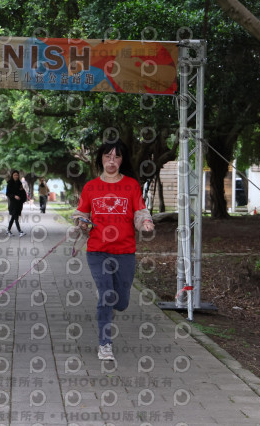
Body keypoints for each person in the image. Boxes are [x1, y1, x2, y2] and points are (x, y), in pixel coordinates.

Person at [72, 139, 155, 361]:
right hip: (98, 250)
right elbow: (81, 213)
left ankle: (108, 297)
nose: (111, 161)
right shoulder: (91, 187)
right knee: (107, 297)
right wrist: (81, 222)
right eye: (107, 156)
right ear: (101, 158)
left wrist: (145, 222)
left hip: (125, 250)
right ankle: (105, 344)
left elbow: (140, 211)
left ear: (122, 160)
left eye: (116, 157)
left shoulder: (131, 185)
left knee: (122, 302)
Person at [6, 170, 27, 236]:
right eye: (14, 175)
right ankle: (20, 231)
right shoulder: (10, 183)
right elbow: (8, 193)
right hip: (13, 203)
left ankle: (8, 230)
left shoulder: (19, 183)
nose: (16, 176)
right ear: (12, 176)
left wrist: (22, 191)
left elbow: (22, 192)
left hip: (19, 203)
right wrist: (14, 196)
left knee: (13, 217)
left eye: (17, 175)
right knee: (15, 217)